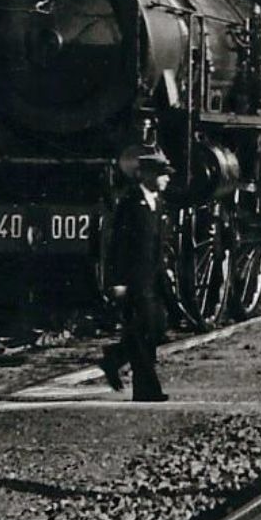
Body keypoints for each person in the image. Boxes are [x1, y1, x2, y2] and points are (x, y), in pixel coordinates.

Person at [100, 149, 174, 402]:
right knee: (143, 332)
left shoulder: (157, 203)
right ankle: (147, 391)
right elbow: (117, 245)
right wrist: (117, 281)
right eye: (163, 174)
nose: (167, 179)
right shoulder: (130, 203)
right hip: (134, 278)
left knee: (156, 328)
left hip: (154, 277)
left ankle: (115, 358)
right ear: (147, 175)